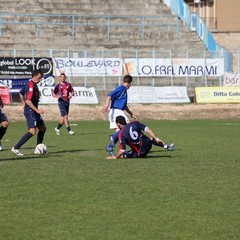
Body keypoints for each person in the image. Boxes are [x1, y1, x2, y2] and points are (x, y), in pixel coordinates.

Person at [11, 69, 47, 156]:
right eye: (39, 78)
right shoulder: (31, 86)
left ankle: (38, 149)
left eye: (41, 78)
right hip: (30, 111)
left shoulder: (31, 84)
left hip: (33, 111)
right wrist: (37, 110)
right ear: (34, 76)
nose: (40, 80)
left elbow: (21, 93)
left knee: (42, 128)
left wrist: (23, 103)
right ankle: (15, 148)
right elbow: (28, 100)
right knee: (32, 131)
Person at [106, 116, 174, 159]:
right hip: (148, 144)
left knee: (123, 154)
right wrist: (156, 139)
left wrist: (116, 157)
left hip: (139, 153)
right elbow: (148, 130)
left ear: (118, 123)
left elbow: (122, 150)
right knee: (149, 139)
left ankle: (123, 155)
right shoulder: (135, 123)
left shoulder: (121, 133)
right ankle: (167, 147)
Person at [101, 75, 136, 155]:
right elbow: (109, 95)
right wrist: (106, 104)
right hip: (117, 112)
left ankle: (110, 147)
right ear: (130, 83)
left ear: (123, 80)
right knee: (127, 128)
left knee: (121, 133)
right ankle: (113, 137)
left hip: (116, 112)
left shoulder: (124, 90)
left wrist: (131, 113)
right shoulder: (121, 88)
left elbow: (124, 105)